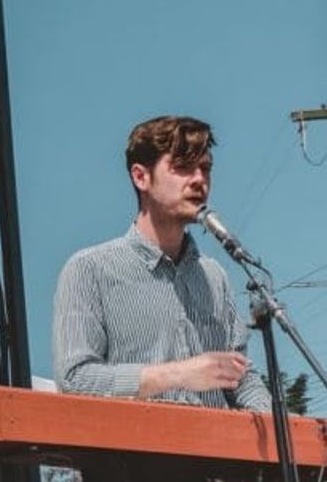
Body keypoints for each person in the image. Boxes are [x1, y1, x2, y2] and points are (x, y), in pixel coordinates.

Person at [52, 116, 272, 480]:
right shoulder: (89, 269)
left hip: (219, 467)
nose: (199, 179)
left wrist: (279, 427)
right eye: (183, 167)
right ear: (141, 177)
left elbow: (239, 376)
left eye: (205, 168)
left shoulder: (214, 276)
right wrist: (180, 375)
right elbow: (75, 379)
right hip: (128, 469)